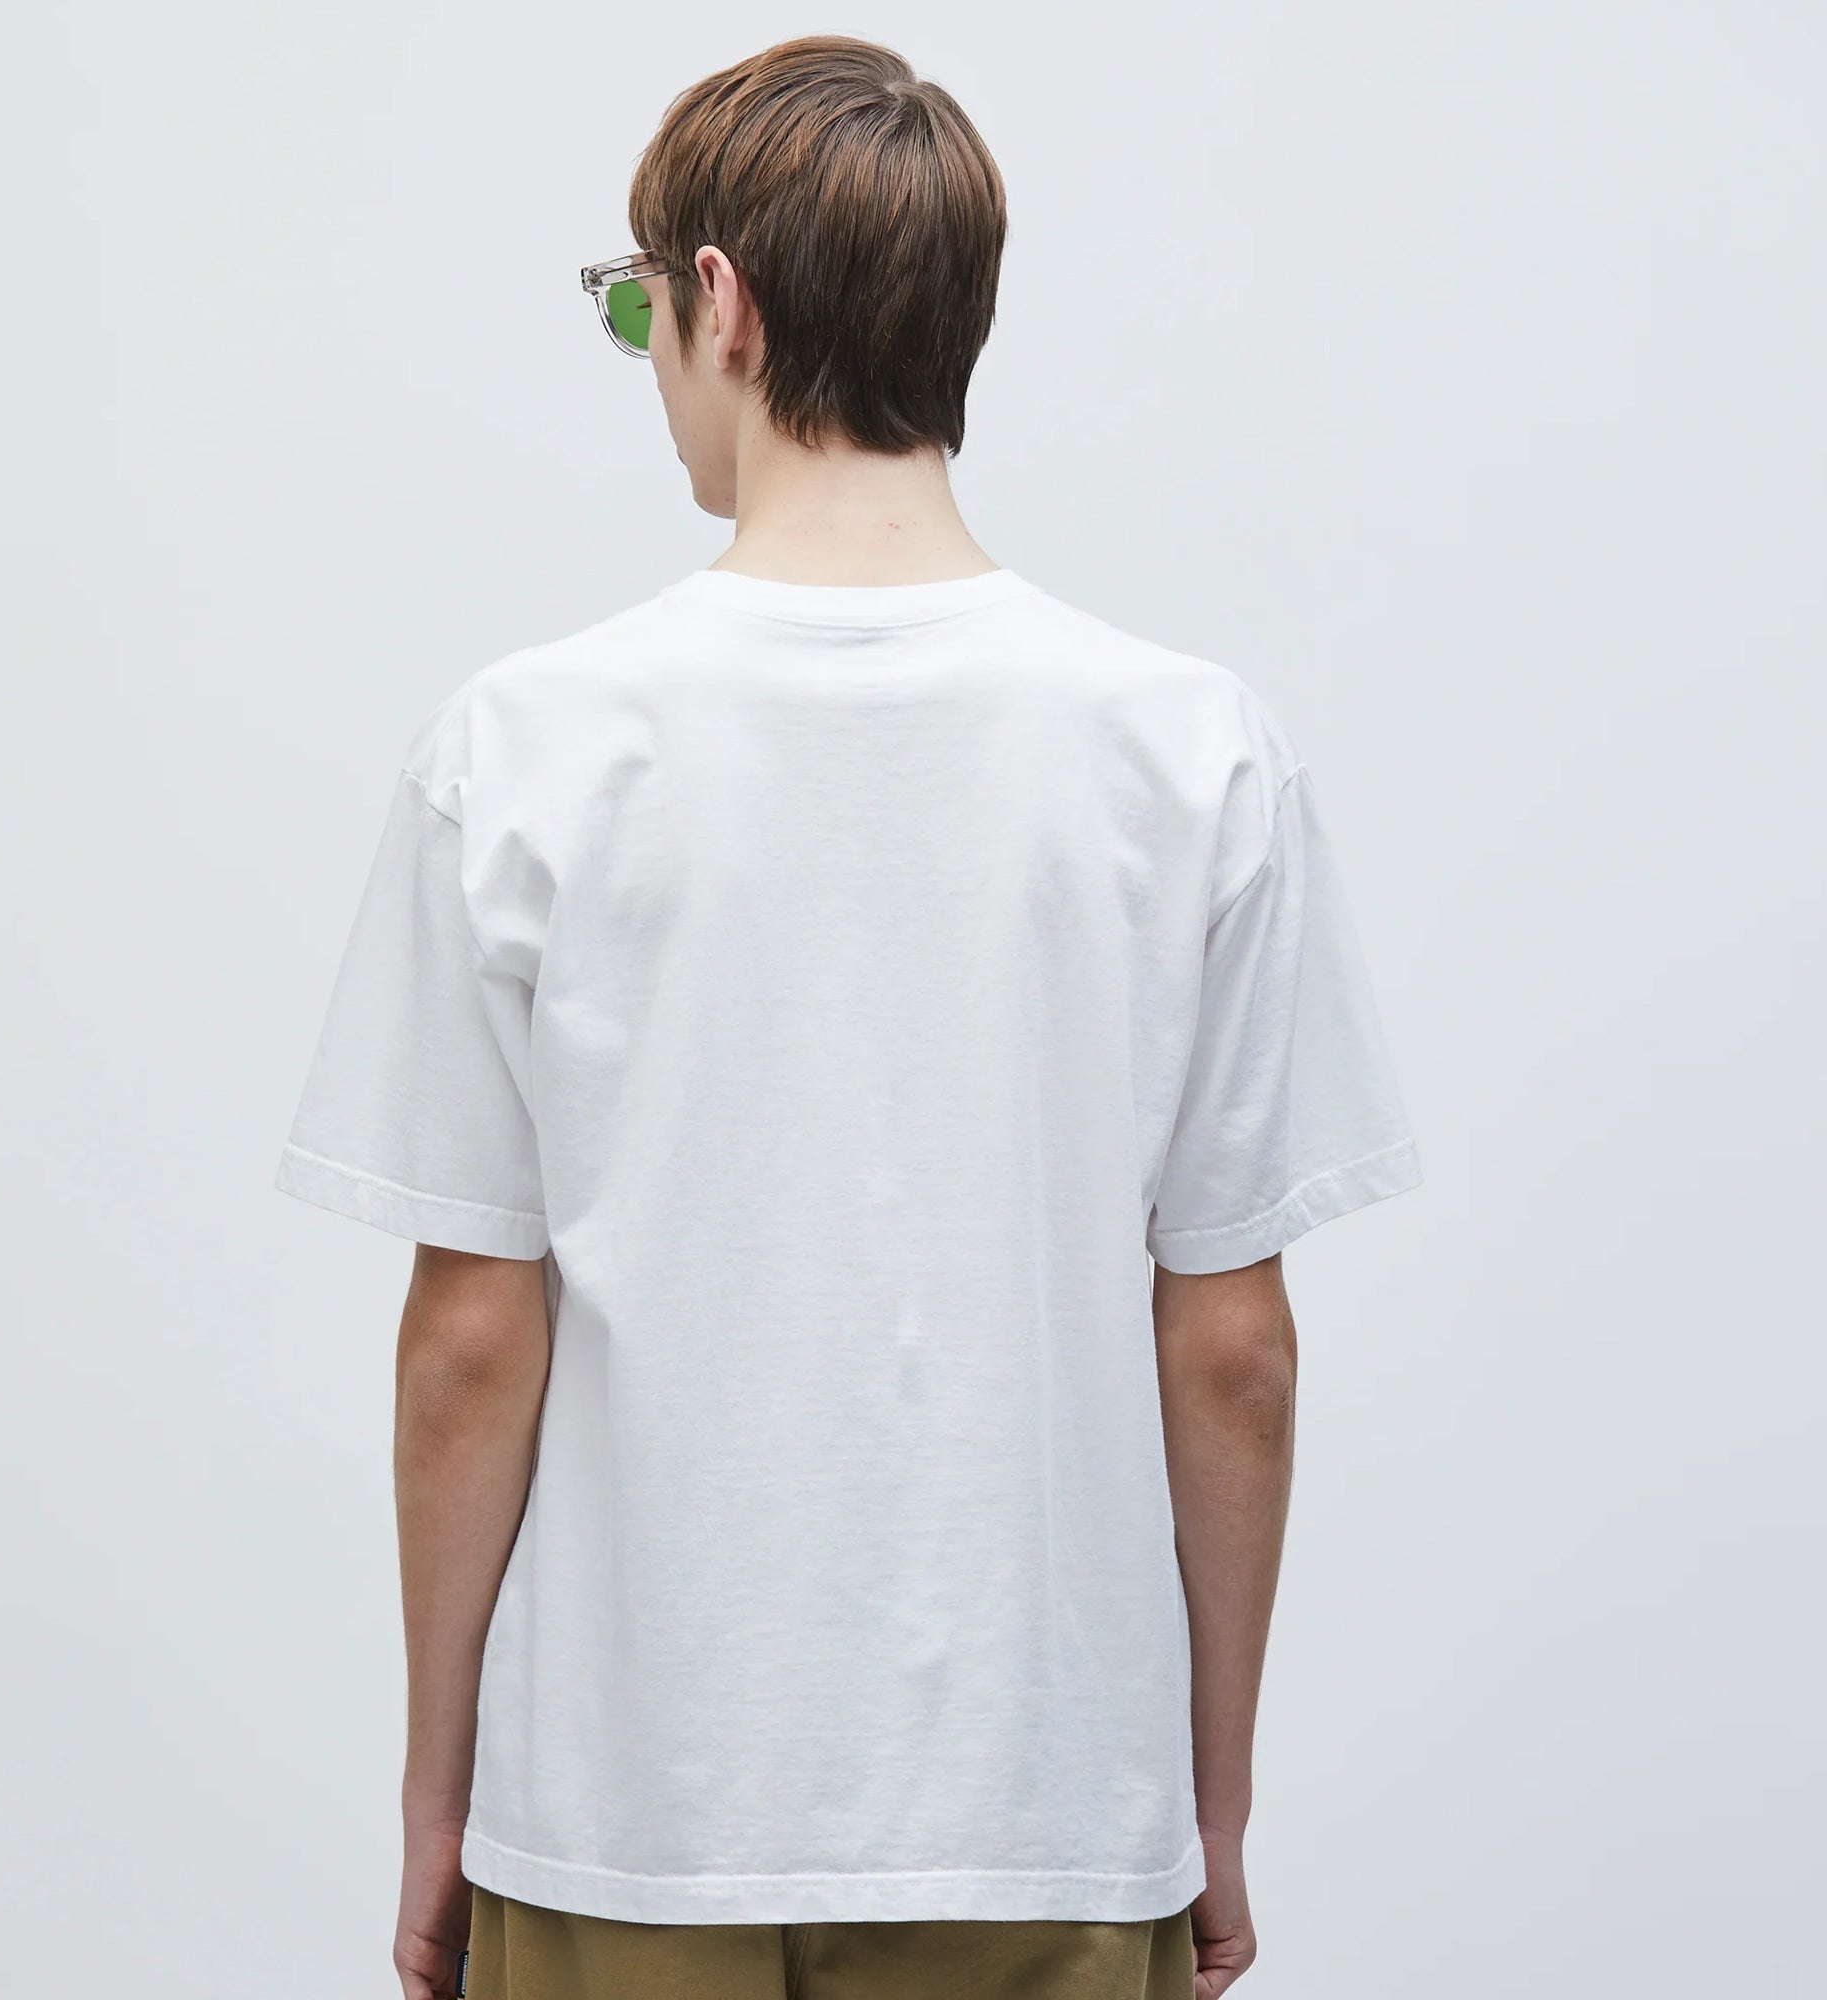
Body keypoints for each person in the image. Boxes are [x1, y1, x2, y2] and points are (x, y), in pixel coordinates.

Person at [275, 34, 1421, 2000]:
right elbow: (1233, 1346)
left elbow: (469, 1337)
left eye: (636, 306)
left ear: (716, 301)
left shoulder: (525, 749)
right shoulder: (1191, 753)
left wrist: (438, 1797)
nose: (649, 353)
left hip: (630, 1820)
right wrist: (1207, 1802)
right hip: (1046, 1823)